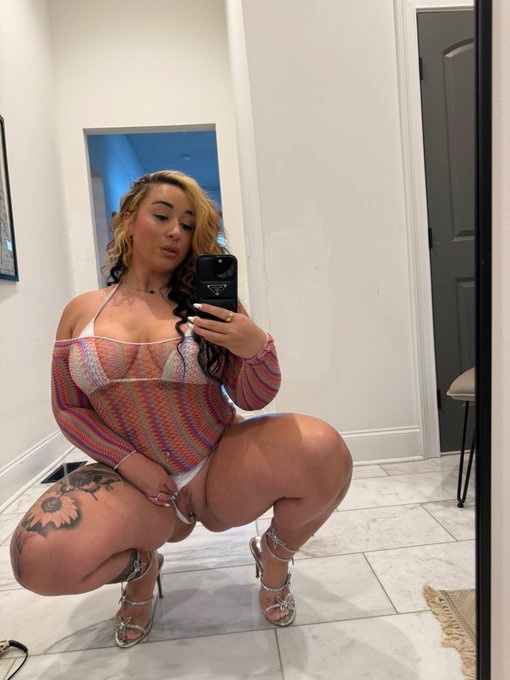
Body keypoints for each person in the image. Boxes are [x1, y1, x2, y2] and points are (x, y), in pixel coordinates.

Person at [10, 170, 352, 647]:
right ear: (127, 220)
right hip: (132, 482)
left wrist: (257, 347)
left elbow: (253, 398)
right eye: (162, 216)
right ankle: (142, 569)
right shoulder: (81, 311)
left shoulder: (209, 307)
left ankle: (274, 556)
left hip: (217, 464)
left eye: (189, 225)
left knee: (324, 450)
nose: (176, 232)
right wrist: (129, 462)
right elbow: (68, 408)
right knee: (38, 561)